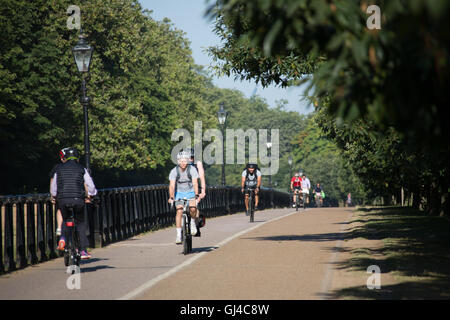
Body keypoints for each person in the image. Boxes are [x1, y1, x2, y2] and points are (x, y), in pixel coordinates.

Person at [50, 147, 97, 260]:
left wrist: (54, 196)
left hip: (63, 199)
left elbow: (53, 188)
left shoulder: (58, 169)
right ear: (77, 158)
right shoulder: (82, 168)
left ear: (64, 158)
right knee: (80, 222)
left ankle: (63, 239)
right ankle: (83, 250)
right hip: (78, 199)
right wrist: (91, 195)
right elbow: (91, 186)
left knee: (66, 220)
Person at [168, 150, 199, 244]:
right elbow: (172, 185)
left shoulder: (192, 169)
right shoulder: (174, 171)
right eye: (181, 161)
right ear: (178, 161)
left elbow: (195, 183)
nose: (183, 163)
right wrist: (171, 197)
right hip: (179, 193)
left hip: (190, 192)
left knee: (193, 209)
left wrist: (196, 194)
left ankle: (193, 223)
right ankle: (178, 235)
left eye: (185, 161)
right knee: (179, 211)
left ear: (188, 161)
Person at [185, 147, 206, 237]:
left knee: (194, 206)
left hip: (195, 187)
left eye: (191, 157)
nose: (190, 159)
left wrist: (203, 190)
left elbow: (201, 176)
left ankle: (195, 224)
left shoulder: (198, 164)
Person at [49, 152, 67, 236]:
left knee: (60, 208)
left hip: (61, 195)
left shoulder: (57, 168)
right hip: (75, 196)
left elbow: (53, 182)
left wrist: (53, 195)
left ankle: (59, 227)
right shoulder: (78, 167)